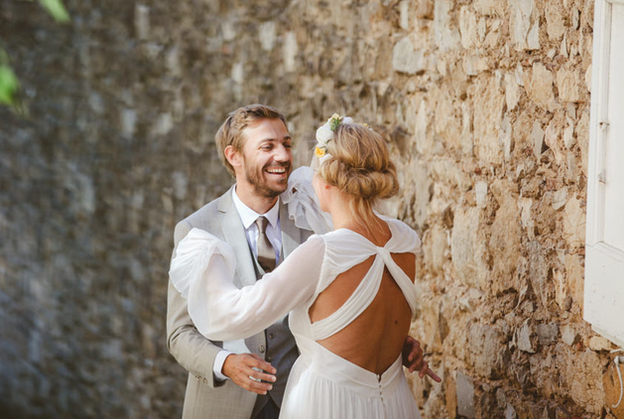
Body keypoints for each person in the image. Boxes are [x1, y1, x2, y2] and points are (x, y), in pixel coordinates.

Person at [166, 106, 438, 419]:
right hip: (228, 406)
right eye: (268, 147)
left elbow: (353, 289)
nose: (283, 156)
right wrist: (224, 363)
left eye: (287, 144)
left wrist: (388, 341)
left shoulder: (314, 219)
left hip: (311, 402)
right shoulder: (197, 229)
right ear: (234, 156)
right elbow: (179, 333)